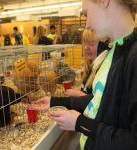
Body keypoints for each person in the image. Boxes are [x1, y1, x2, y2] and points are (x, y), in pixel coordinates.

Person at [32, 0, 137, 150]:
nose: (87, 25)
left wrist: (80, 123)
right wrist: (54, 101)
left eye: (87, 14)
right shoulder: (115, 49)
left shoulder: (133, 56)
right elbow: (100, 101)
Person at [65, 29, 109, 97]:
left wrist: (77, 94)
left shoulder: (103, 71)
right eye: (85, 43)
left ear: (102, 46)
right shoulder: (90, 66)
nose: (86, 48)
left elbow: (98, 103)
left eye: (91, 43)